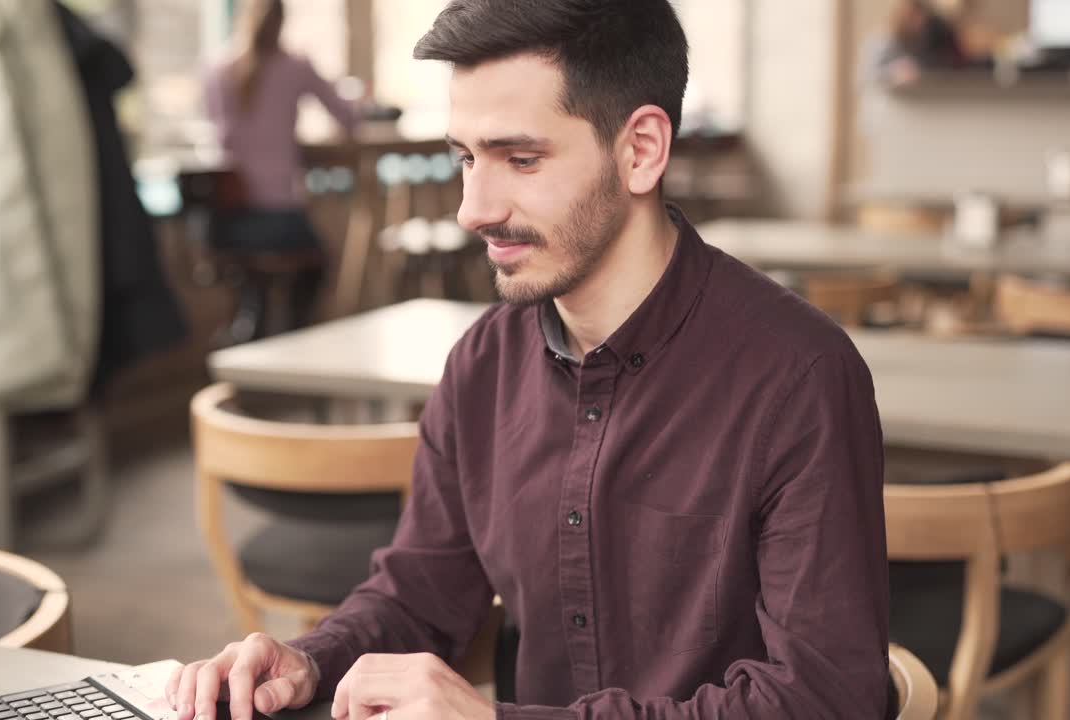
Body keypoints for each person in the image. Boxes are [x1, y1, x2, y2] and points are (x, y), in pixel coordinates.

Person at [171, 1, 890, 718]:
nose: (472, 209)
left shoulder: (800, 375)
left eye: (521, 159)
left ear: (640, 149)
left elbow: (824, 701)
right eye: (465, 158)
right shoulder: (481, 364)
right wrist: (311, 660)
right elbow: (420, 594)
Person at [201, 0, 359, 337]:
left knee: (253, 276)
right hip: (278, 216)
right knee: (317, 263)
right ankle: (291, 333)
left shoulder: (216, 68)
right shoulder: (294, 66)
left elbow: (218, 134)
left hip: (223, 219)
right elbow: (347, 117)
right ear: (282, 21)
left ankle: (252, 324)